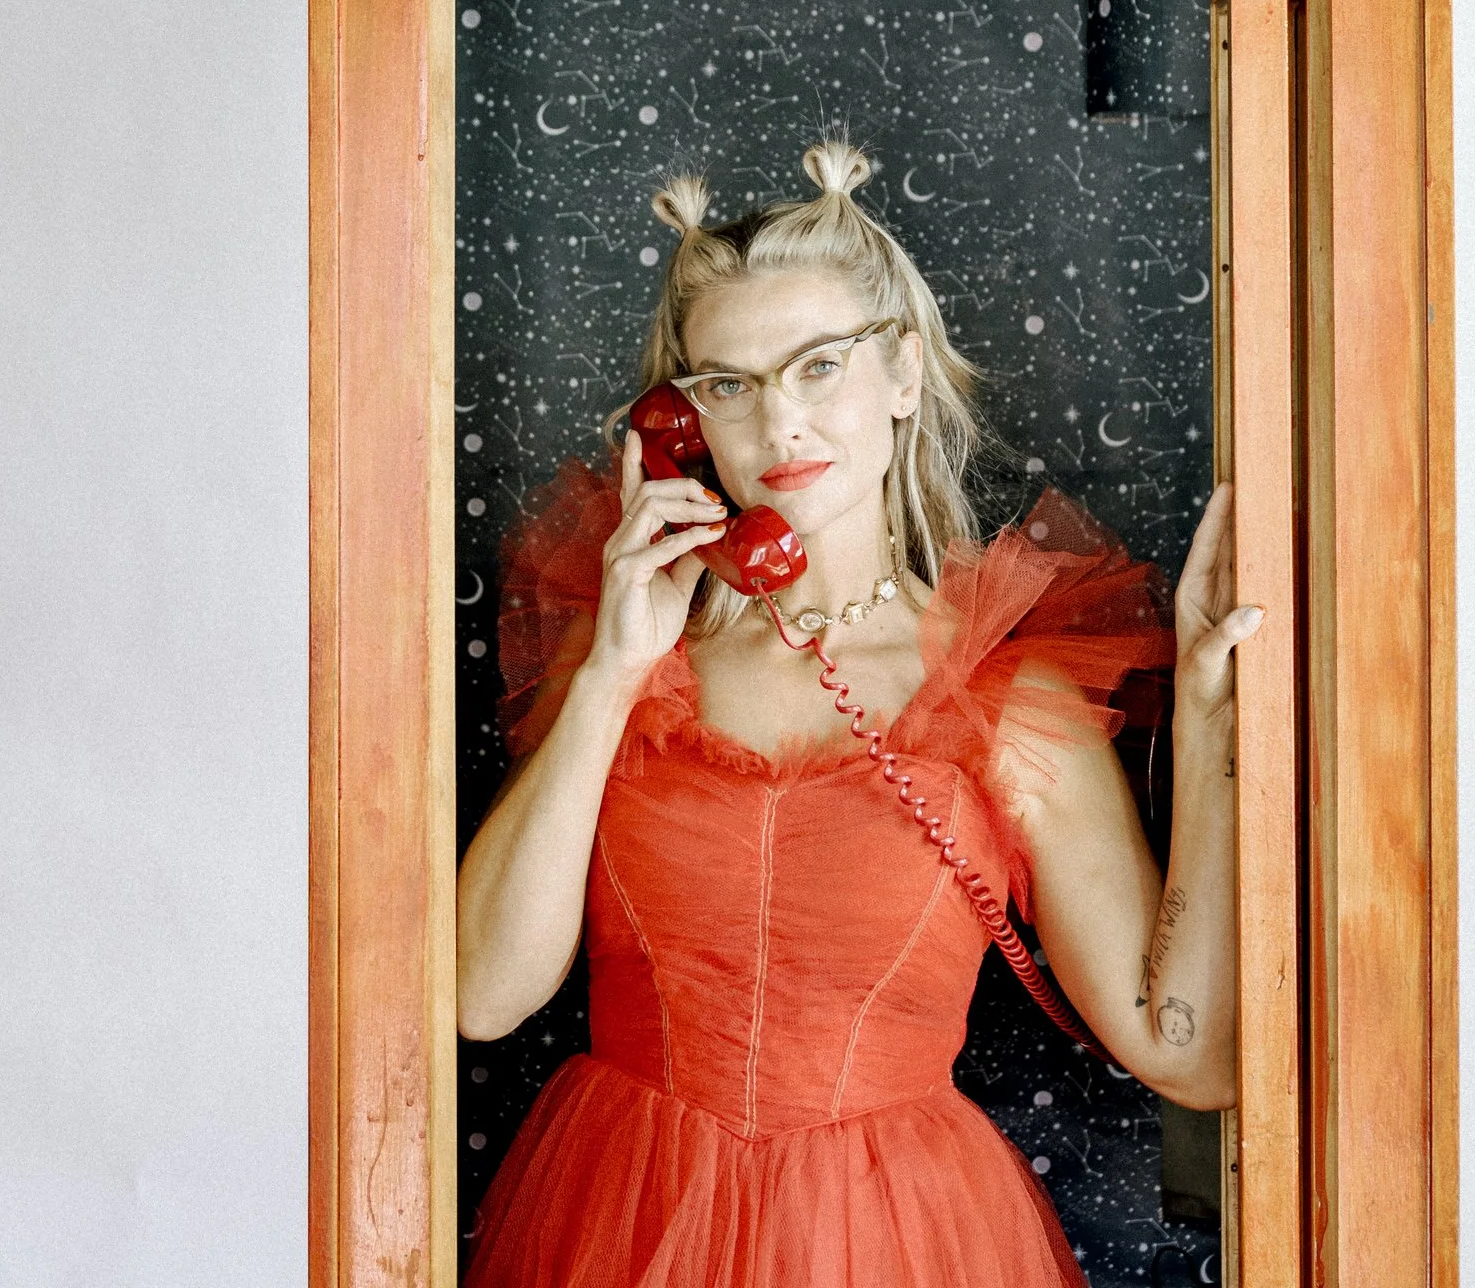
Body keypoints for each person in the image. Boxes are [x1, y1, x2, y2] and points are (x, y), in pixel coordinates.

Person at [456, 139, 1266, 1288]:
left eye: (818, 365)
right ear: (682, 419)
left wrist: (1213, 732)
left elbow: (1187, 1052)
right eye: (728, 384)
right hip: (621, 1217)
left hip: (894, 1233)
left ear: (901, 373)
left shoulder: (1005, 696)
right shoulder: (627, 663)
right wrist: (611, 673)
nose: (777, 422)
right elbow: (483, 996)